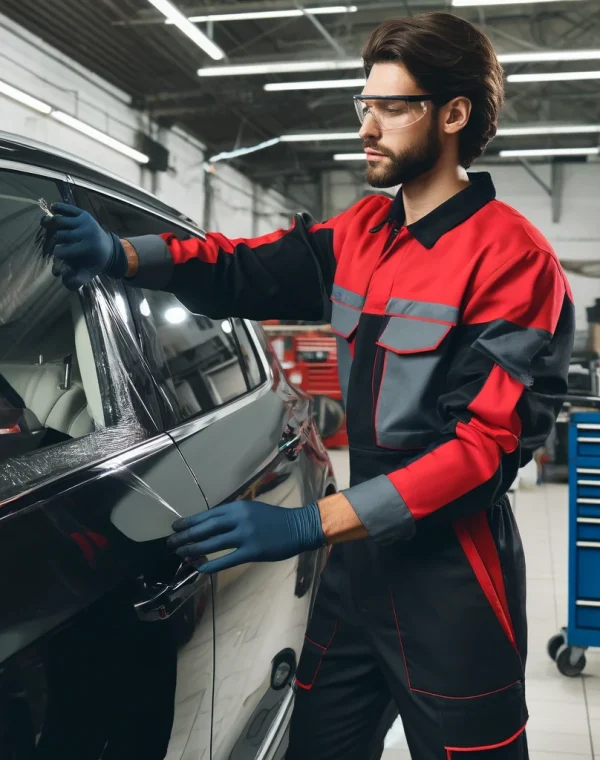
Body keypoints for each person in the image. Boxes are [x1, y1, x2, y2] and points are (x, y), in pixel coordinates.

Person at [41, 12, 574, 760]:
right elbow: (241, 266)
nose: (369, 125)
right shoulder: (362, 231)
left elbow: (480, 451)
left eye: (394, 107)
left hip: (454, 583)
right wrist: (123, 254)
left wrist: (307, 524)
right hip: (358, 576)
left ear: (453, 115)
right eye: (367, 105)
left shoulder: (514, 261)